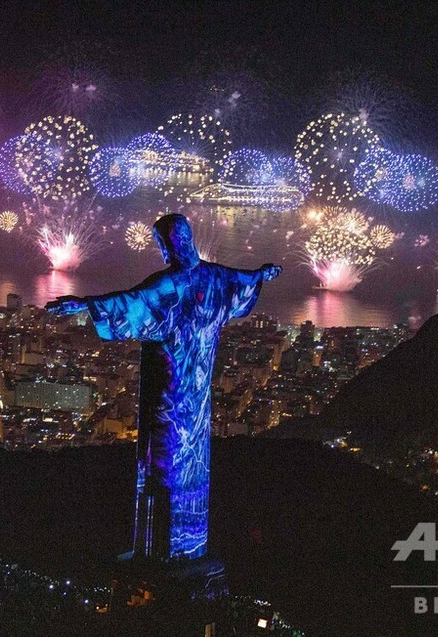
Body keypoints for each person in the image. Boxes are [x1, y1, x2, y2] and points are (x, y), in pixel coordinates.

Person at [47, 213, 281, 561]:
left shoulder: (169, 287)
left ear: (172, 243)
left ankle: (162, 551)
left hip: (168, 392)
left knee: (163, 461)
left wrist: (84, 304)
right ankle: (190, 543)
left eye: (161, 244)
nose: (162, 251)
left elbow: (131, 303)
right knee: (192, 461)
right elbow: (243, 283)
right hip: (199, 395)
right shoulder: (216, 279)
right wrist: (263, 274)